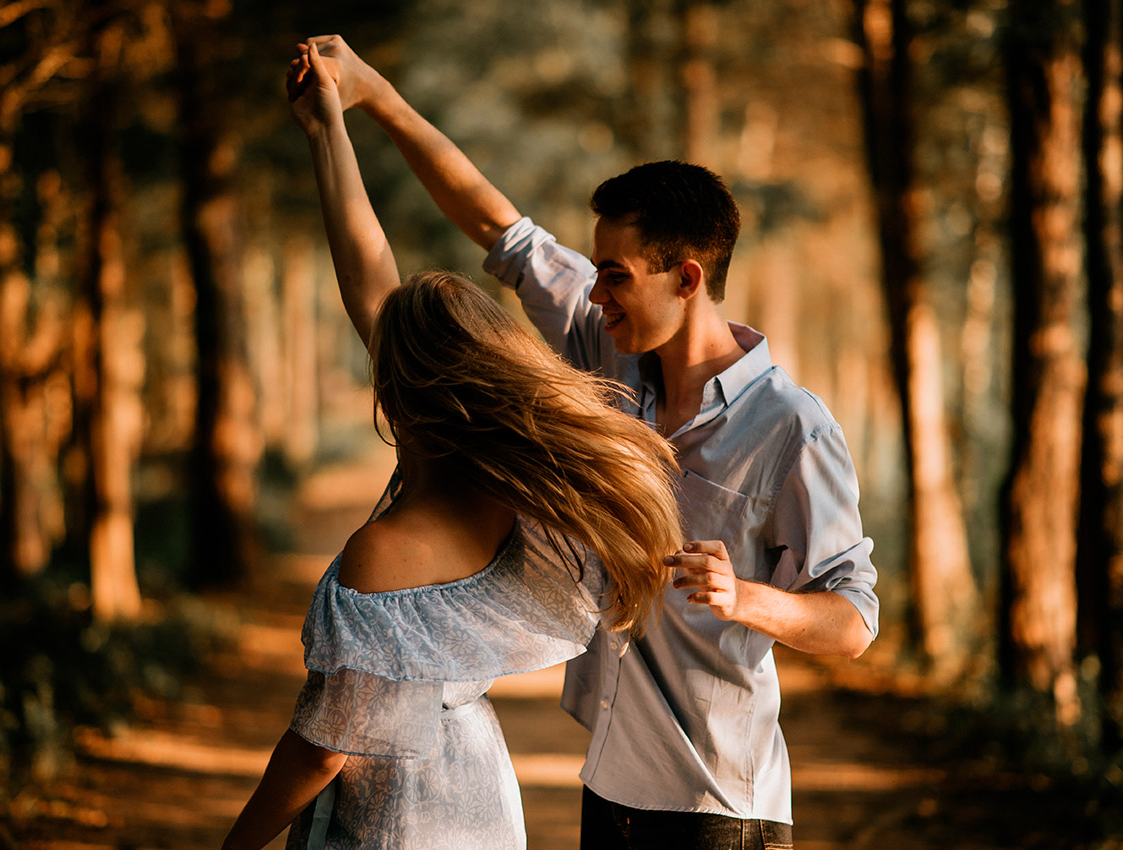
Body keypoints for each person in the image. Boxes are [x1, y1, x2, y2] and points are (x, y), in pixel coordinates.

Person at [302, 34, 883, 850]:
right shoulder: (608, 352)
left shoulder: (791, 427)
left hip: (719, 810)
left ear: (686, 278)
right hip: (608, 785)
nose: (596, 291)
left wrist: (745, 597)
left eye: (616, 274)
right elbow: (496, 227)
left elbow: (854, 621)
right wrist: (374, 99)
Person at [220, 43, 685, 850]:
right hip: (479, 790)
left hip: (397, 816)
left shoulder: (385, 552)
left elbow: (327, 747)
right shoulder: (524, 501)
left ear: (400, 391)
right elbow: (371, 277)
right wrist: (329, 128)